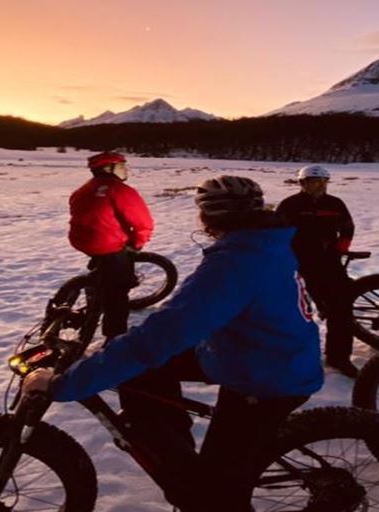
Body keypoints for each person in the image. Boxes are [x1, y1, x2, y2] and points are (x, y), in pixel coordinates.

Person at [28, 175, 323, 511]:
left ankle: (194, 482)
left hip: (268, 377)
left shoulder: (236, 261)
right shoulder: (263, 242)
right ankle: (173, 452)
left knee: (212, 499)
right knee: (140, 373)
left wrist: (67, 384)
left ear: (207, 218)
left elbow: (163, 334)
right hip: (260, 352)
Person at [275, 164, 358, 377]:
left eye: (323, 182)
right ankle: (290, 354)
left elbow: (347, 227)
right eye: (314, 182)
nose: (319, 186)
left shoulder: (335, 203)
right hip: (298, 262)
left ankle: (338, 357)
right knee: (293, 309)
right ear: (302, 183)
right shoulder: (290, 205)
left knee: (341, 307)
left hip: (329, 261)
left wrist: (341, 246)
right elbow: (277, 232)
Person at [68, 151, 154, 338]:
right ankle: (114, 335)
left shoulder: (83, 189)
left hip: (81, 241)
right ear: (109, 168)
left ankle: (95, 287)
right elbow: (142, 222)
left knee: (103, 263)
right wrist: (138, 243)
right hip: (108, 245)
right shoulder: (121, 190)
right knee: (118, 292)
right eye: (121, 166)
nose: (125, 170)